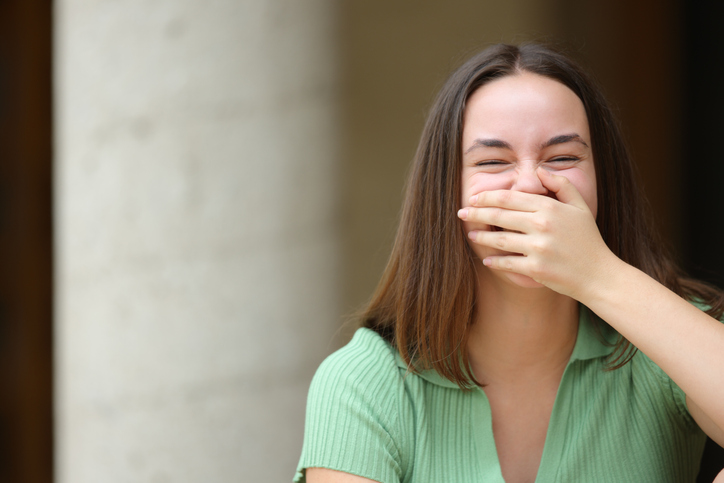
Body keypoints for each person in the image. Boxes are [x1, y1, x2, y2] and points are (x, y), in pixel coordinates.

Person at [294, 44, 724, 483]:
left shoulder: (663, 345)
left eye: (562, 158)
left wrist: (597, 273)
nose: (529, 185)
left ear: (602, 180)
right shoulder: (364, 385)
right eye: (493, 162)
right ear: (447, 193)